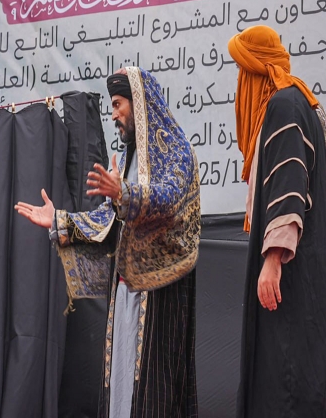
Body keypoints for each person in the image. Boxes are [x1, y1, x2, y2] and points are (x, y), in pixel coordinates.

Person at [15, 67, 200, 417]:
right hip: (126, 291)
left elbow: (169, 200)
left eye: (117, 104)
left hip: (161, 293)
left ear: (139, 103)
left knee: (154, 391)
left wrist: (125, 193)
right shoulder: (128, 158)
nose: (113, 115)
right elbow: (108, 217)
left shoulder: (177, 152)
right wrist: (59, 220)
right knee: (120, 388)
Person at [227, 25, 326, 417]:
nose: (239, 83)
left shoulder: (285, 105)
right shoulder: (296, 102)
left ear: (255, 69)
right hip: (301, 275)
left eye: (242, 70)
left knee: (286, 381)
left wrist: (273, 259)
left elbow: (290, 183)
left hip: (291, 276)